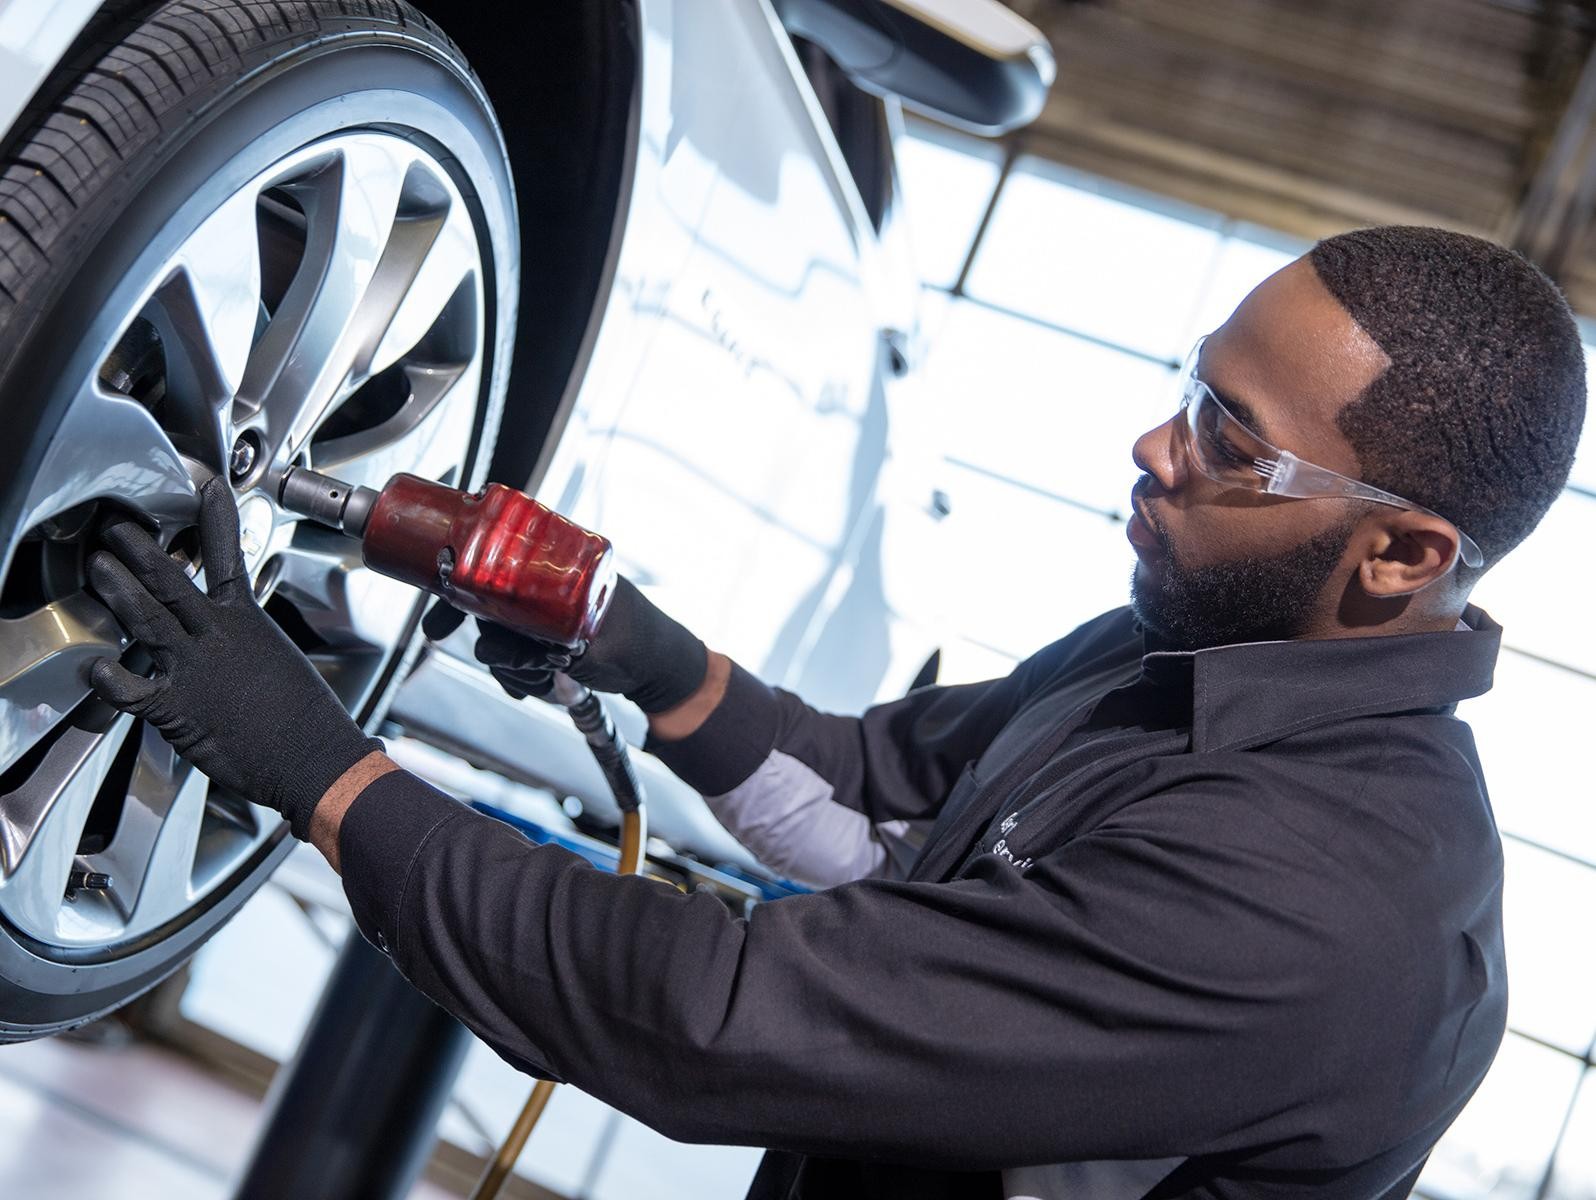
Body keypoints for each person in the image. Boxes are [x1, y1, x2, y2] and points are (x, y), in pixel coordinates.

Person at [85, 225, 1586, 1200]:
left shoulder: (1324, 910)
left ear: (1402, 554)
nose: (1154, 447)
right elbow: (871, 798)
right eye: (1186, 392)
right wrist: (628, 639)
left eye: (1226, 440)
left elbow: (709, 1016)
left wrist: (310, 763)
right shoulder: (1183, 655)